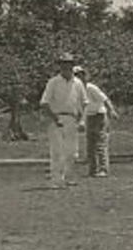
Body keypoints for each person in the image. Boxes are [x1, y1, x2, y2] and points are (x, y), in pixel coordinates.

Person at [39, 53, 87, 188]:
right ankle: (56, 179)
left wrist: (82, 120)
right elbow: (44, 103)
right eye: (63, 64)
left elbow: (84, 102)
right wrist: (55, 118)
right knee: (57, 151)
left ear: (72, 66)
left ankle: (69, 177)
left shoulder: (77, 83)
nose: (66, 67)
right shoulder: (53, 82)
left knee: (72, 151)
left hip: (72, 118)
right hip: (56, 118)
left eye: (68, 64)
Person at [77, 66, 119, 178]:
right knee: (90, 145)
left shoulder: (91, 88)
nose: (78, 78)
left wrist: (111, 110)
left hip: (99, 115)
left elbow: (104, 99)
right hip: (89, 117)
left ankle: (103, 169)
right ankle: (93, 170)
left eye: (80, 75)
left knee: (100, 143)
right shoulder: (76, 90)